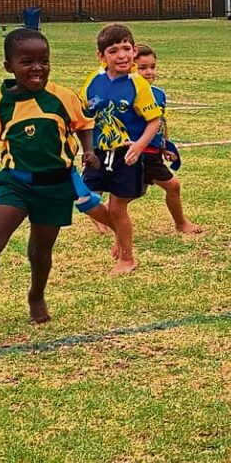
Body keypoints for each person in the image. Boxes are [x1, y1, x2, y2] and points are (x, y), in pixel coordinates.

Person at [0, 28, 112, 337]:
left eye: (43, 61)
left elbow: (84, 122)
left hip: (55, 185)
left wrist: (88, 150)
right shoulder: (0, 102)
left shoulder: (63, 97)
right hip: (15, 182)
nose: (37, 67)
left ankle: (36, 295)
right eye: (27, 62)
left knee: (40, 251)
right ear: (9, 66)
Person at [79, 23, 162, 277]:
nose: (122, 55)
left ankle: (127, 257)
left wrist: (139, 145)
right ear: (101, 56)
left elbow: (154, 121)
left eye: (126, 48)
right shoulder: (93, 81)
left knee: (117, 208)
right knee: (83, 199)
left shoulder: (138, 85)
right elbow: (84, 116)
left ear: (134, 50)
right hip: (98, 153)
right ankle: (120, 231)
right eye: (113, 51)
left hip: (126, 156)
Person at [131, 44, 205, 236]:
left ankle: (103, 212)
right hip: (141, 153)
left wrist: (165, 146)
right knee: (173, 186)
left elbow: (161, 121)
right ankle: (181, 223)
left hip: (154, 151)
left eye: (152, 67)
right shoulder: (129, 94)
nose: (149, 72)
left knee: (134, 192)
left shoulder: (159, 94)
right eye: (142, 68)